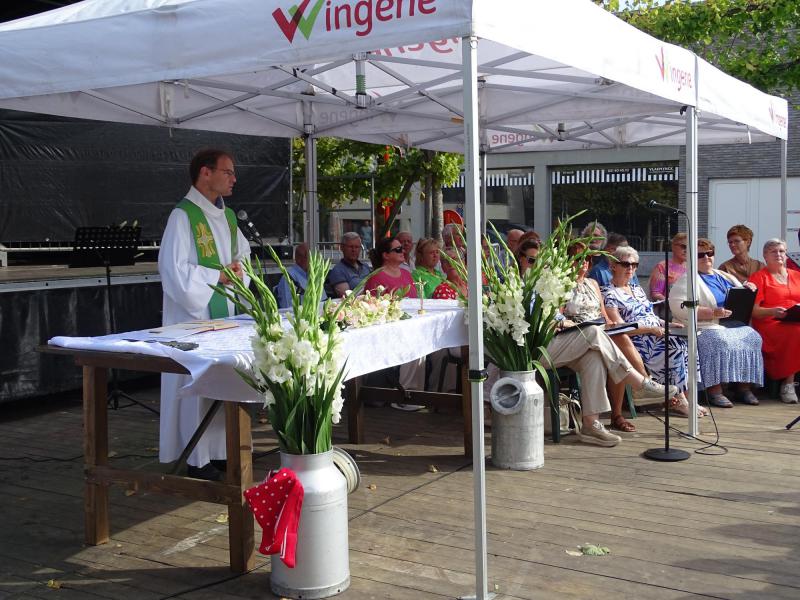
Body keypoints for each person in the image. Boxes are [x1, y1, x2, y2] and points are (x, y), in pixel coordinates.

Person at [158, 148, 251, 481]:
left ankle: (225, 452)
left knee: (224, 381)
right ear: (205, 173)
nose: (234, 178)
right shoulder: (182, 217)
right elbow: (173, 273)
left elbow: (244, 256)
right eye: (228, 172)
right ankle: (198, 459)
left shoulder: (226, 217)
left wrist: (240, 270)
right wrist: (218, 277)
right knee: (197, 385)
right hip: (193, 321)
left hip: (225, 313)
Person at [562, 242, 675, 432]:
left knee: (617, 339)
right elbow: (560, 318)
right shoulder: (562, 286)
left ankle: (623, 408)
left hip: (600, 329)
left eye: (588, 259)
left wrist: (611, 324)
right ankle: (642, 386)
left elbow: (604, 314)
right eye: (578, 259)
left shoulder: (593, 284)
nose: (584, 263)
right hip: (578, 333)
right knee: (619, 341)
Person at [602, 245, 706, 418]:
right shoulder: (608, 292)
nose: (631, 268)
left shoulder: (636, 289)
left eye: (635, 265)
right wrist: (651, 329)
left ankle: (687, 397)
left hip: (655, 332)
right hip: (635, 338)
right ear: (614, 265)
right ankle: (678, 400)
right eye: (626, 264)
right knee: (675, 347)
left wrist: (668, 324)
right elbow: (620, 327)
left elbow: (650, 315)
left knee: (688, 344)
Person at [669, 239, 763, 407]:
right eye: (700, 255)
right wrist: (711, 312)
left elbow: (736, 293)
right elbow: (679, 306)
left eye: (709, 253)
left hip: (728, 322)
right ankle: (714, 391)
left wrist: (746, 287)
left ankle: (743, 388)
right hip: (704, 325)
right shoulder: (687, 279)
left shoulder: (723, 275)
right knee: (716, 340)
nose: (706, 258)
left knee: (753, 336)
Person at [365, 236, 423, 410]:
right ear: (385, 255)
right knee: (415, 344)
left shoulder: (406, 273)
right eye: (397, 250)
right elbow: (372, 306)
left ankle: (421, 393)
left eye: (402, 249)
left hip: (411, 323)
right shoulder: (377, 277)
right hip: (389, 327)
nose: (402, 252)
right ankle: (404, 394)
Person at [748, 238, 800, 403]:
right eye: (773, 251)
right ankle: (788, 384)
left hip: (795, 318)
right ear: (765, 256)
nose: (778, 254)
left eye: (781, 251)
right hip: (771, 322)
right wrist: (773, 312)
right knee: (796, 332)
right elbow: (754, 311)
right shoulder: (759, 277)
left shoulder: (797, 276)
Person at [274, 243, 326, 309]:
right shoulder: (288, 278)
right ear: (299, 259)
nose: (313, 261)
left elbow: (323, 301)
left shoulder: (315, 275)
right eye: (310, 257)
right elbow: (287, 308)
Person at [326, 232, 371, 298]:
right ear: (342, 248)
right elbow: (347, 297)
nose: (354, 250)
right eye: (350, 247)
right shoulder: (338, 271)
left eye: (357, 247)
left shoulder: (365, 267)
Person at [649, 232, 688, 302]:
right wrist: (673, 304)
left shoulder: (692, 268)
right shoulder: (662, 267)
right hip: (668, 309)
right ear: (673, 247)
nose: (686, 250)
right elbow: (656, 293)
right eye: (683, 246)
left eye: (690, 247)